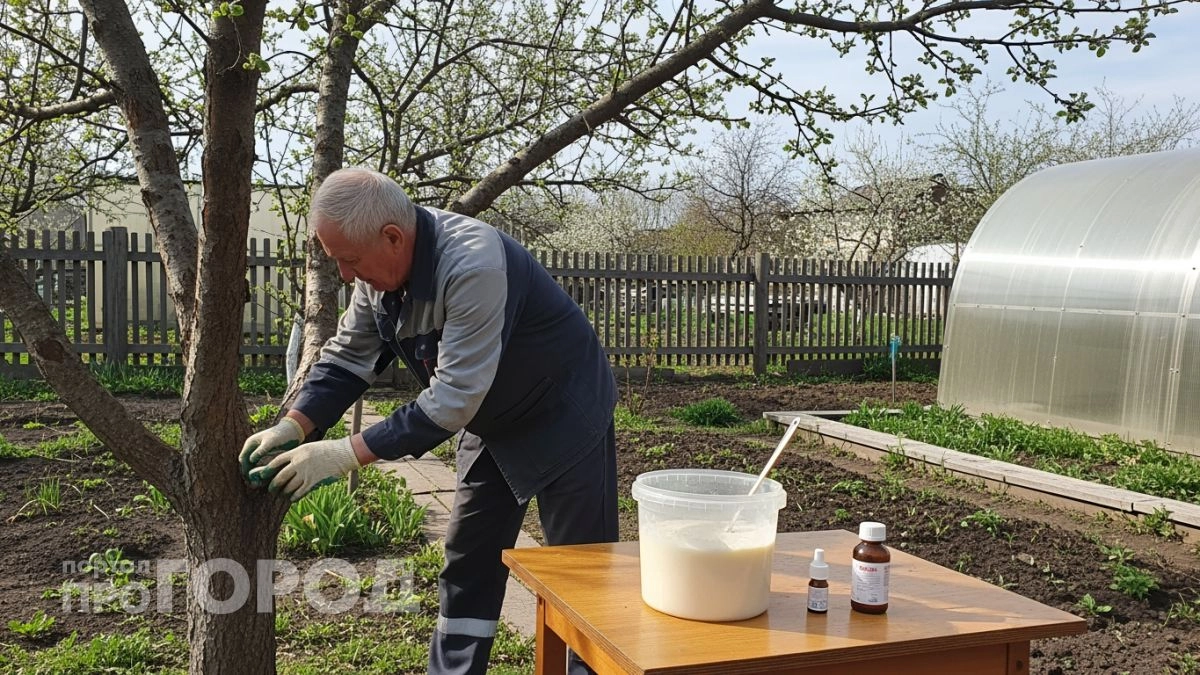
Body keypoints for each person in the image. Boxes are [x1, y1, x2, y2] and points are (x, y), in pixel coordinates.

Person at [238, 167, 618, 675]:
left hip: (565, 414)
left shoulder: (473, 265)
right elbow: (349, 358)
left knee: (578, 571)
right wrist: (295, 426)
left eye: (349, 262)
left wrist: (343, 454)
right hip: (492, 420)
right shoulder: (376, 277)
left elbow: (450, 402)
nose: (346, 276)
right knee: (468, 560)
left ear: (393, 238)